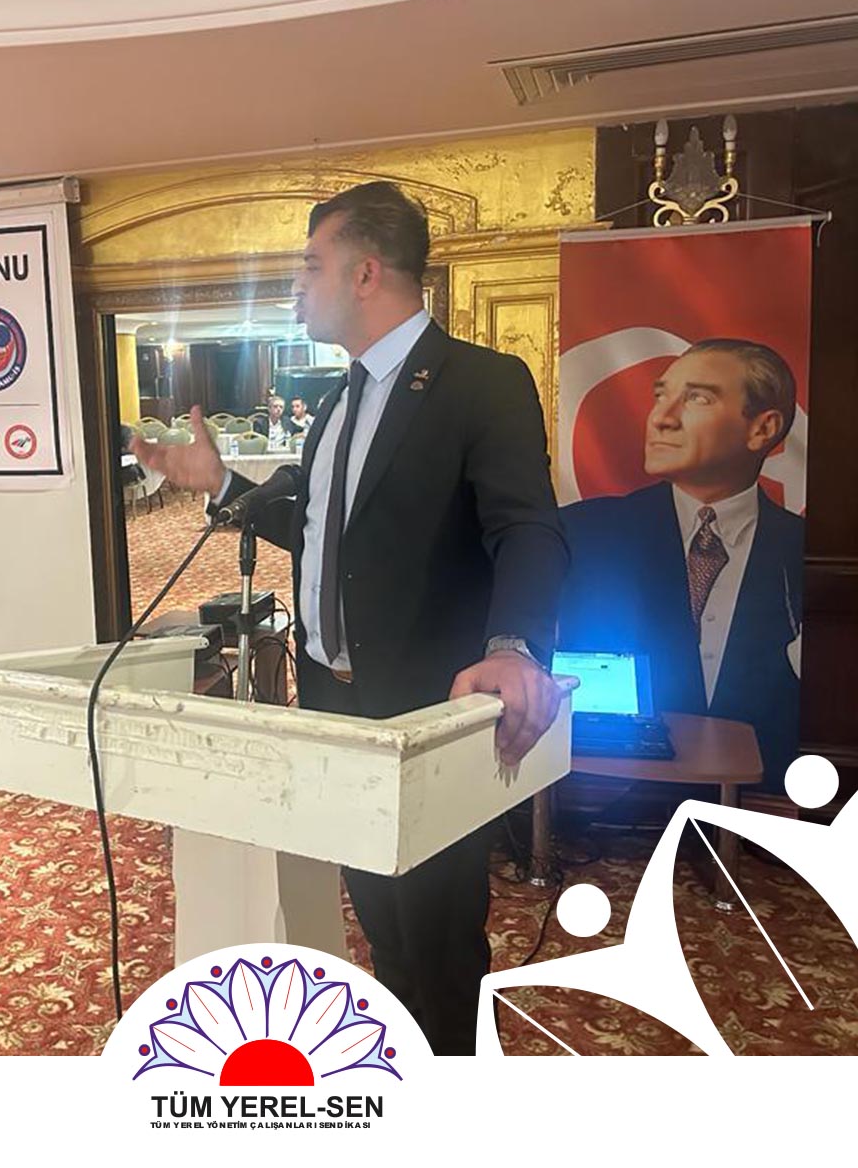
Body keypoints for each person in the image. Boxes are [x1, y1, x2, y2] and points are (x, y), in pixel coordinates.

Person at [132, 180, 567, 1054]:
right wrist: (221, 486)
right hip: (332, 703)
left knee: (439, 941)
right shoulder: (337, 401)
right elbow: (324, 528)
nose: (296, 286)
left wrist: (513, 644)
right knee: (382, 926)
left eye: (310, 266)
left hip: (428, 707)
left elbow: (527, 528)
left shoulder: (482, 382)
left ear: (366, 272)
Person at [559, 339, 803, 789]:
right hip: (608, 811)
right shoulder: (581, 535)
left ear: (762, 429)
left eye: (698, 398)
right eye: (661, 395)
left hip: (767, 813)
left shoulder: (810, 556)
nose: (662, 418)